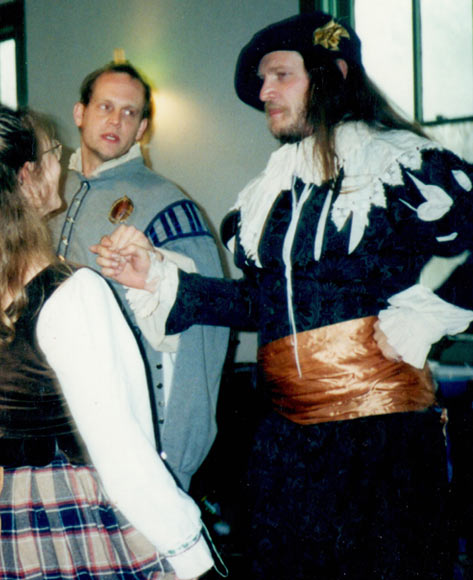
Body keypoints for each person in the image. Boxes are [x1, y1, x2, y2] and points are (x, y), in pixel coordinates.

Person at [92, 12, 472, 579]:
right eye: (264, 81)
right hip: (286, 445)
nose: (264, 92)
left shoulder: (400, 165)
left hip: (379, 442)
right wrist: (160, 280)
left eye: (280, 76)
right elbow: (259, 303)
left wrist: (424, 317)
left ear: (333, 75)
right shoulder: (272, 191)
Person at [0, 105, 213, 579]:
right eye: (54, 153)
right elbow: (120, 442)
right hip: (56, 510)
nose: (62, 162)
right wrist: (188, 550)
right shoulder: (70, 290)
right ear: (28, 175)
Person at [48, 62, 229, 490]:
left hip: (131, 433)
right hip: (52, 428)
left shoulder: (169, 205)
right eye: (105, 107)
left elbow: (203, 335)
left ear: (143, 127)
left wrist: (175, 457)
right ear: (80, 113)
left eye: (130, 113)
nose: (116, 120)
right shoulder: (49, 197)